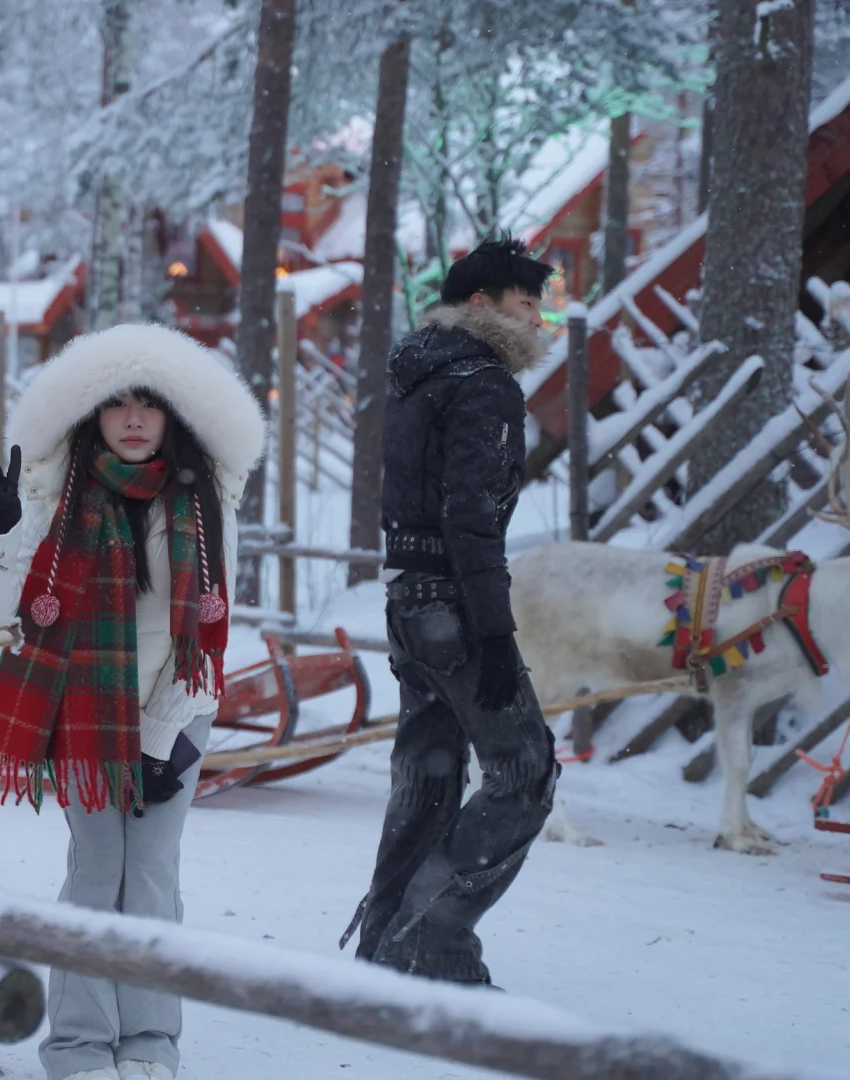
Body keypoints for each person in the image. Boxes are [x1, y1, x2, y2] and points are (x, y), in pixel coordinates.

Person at [0, 323, 263, 1080]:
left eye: (148, 404)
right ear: (89, 415)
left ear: (173, 416)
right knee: (97, 873)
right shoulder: (55, 498)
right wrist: (2, 535)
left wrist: (159, 740)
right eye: (115, 404)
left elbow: (209, 635)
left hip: (179, 708)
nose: (132, 419)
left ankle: (150, 1044)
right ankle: (79, 1049)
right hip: (83, 714)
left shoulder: (204, 505)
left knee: (152, 877)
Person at [337, 237, 560, 988]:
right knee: (524, 770)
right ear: (482, 304)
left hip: (409, 597)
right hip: (456, 604)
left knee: (428, 775)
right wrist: (494, 632)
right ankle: (432, 942)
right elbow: (471, 516)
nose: (538, 318)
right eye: (526, 302)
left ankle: (384, 949)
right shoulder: (483, 382)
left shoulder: (421, 373)